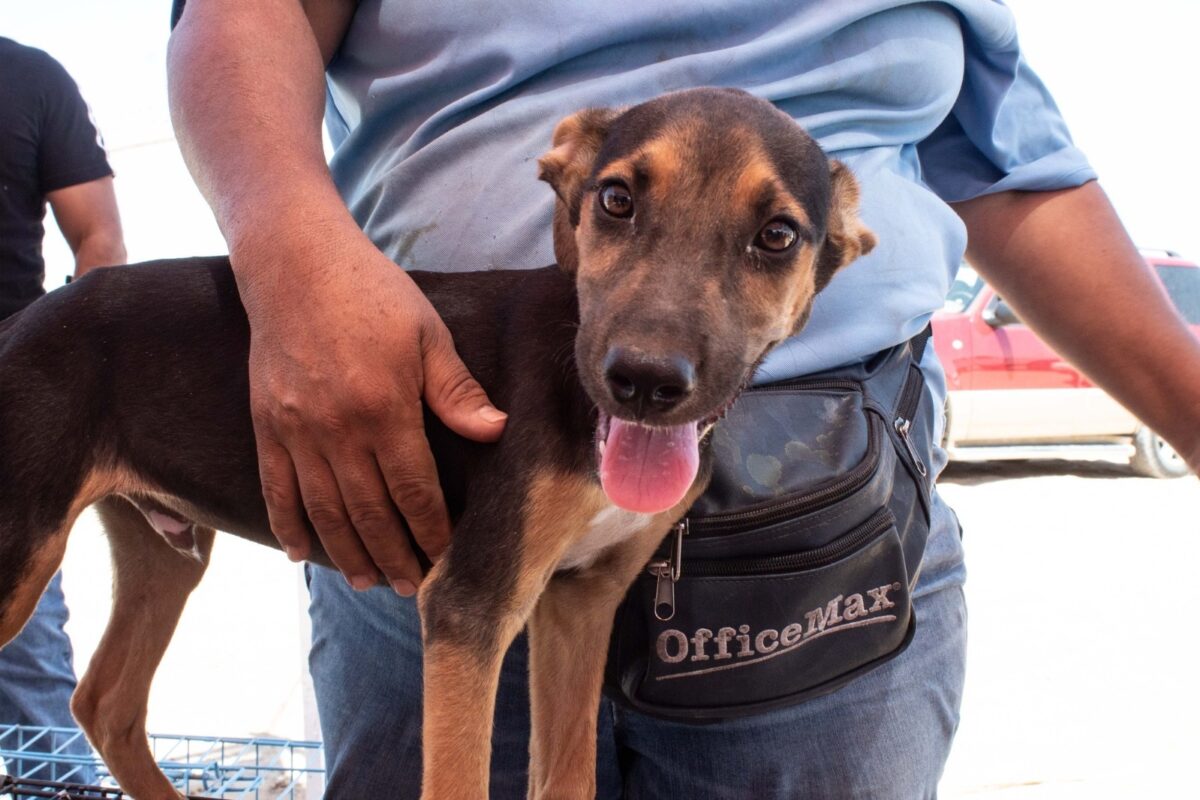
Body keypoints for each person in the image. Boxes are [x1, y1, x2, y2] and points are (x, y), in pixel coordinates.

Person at [166, 2, 1200, 797]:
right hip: (439, 465)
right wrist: (289, 264)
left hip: (838, 557)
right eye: (616, 204)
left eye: (775, 238)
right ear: (568, 191)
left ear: (839, 244)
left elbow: (1007, 167)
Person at [0, 37, 126, 783]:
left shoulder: (29, 77)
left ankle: (67, 789)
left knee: (22, 649)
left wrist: (73, 392)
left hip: (8, 385)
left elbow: (100, 241)